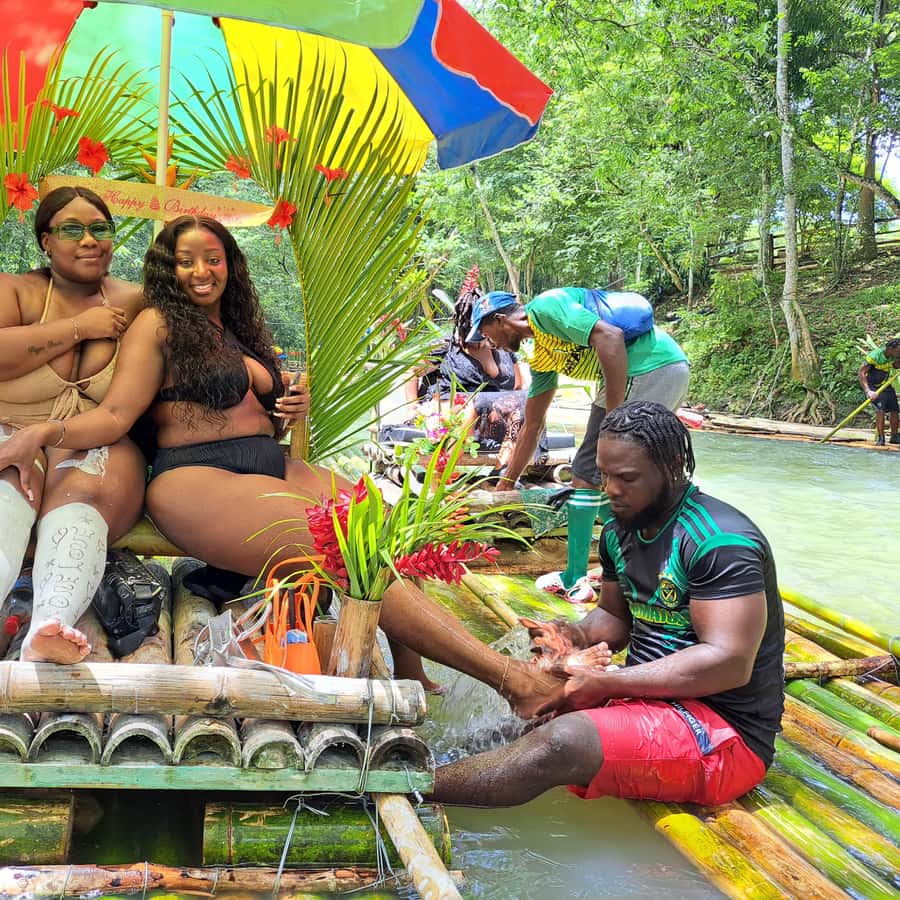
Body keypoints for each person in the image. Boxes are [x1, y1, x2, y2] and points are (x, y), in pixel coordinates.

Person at [0, 215, 446, 689]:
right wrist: (44, 432)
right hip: (200, 474)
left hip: (268, 463)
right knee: (352, 551)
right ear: (168, 269)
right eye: (186, 261)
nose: (201, 271)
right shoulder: (158, 324)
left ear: (230, 265)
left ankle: (412, 672)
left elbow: (256, 417)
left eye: (213, 259)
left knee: (388, 527)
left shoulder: (238, 328)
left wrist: (289, 409)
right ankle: (499, 674)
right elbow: (115, 415)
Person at [415, 401, 783, 808]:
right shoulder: (619, 530)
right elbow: (613, 617)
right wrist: (571, 634)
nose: (610, 490)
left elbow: (728, 662)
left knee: (560, 742)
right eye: (604, 474)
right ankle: (411, 769)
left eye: (627, 478)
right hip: (644, 699)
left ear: (673, 466)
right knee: (517, 724)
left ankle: (396, 790)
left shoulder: (720, 542)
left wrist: (608, 683)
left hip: (722, 734)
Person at [468, 287, 690, 604]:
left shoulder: (546, 307)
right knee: (625, 477)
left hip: (647, 368)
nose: (490, 343)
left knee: (586, 474)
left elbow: (611, 337)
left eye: (486, 333)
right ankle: (638, 563)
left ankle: (575, 578)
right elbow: (533, 424)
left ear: (500, 320)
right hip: (660, 369)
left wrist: (613, 421)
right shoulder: (543, 353)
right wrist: (507, 482)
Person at [0, 187, 145, 664]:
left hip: (96, 438)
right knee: (8, 488)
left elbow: (210, 337)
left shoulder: (137, 300)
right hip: (8, 427)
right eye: (72, 229)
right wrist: (81, 328)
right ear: (46, 240)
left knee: (80, 492)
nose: (89, 240)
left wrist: (275, 389)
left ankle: (51, 625)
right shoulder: (15, 290)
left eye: (100, 228)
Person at [858, 338, 900, 445]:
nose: (899, 353)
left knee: (895, 409)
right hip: (872, 386)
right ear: (890, 348)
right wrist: (868, 391)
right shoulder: (875, 355)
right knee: (880, 410)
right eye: (898, 351)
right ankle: (881, 438)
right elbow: (862, 372)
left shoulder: (893, 356)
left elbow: (895, 365)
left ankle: (894, 436)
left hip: (885, 384)